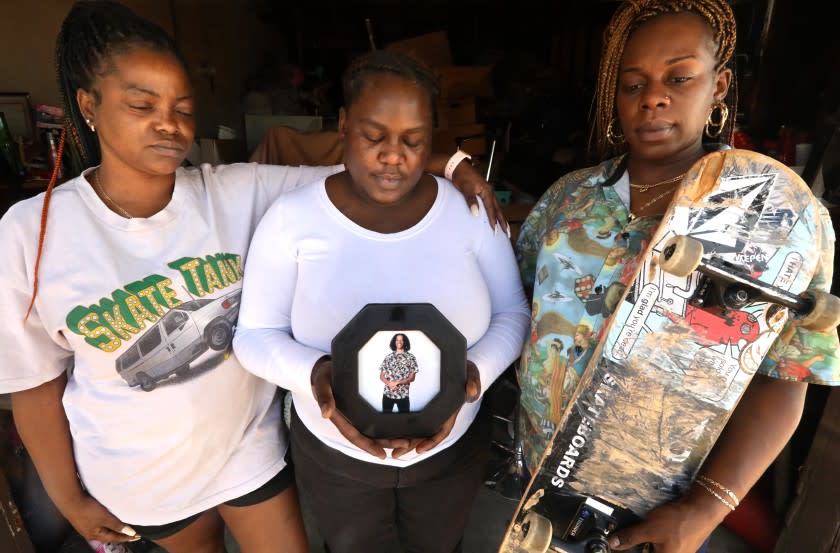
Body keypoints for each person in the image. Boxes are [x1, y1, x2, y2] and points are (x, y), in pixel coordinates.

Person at [0, 2, 505, 551]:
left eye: (183, 107)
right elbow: (32, 382)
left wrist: (452, 163)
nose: (169, 124)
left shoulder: (235, 191)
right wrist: (68, 497)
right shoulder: (32, 231)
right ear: (88, 105)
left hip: (249, 454)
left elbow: (370, 159)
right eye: (142, 104)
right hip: (139, 474)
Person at [514, 2, 839, 553]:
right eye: (633, 83)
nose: (653, 97)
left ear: (720, 86)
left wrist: (703, 511)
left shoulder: (774, 217)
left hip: (656, 510)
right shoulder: (568, 200)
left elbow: (786, 379)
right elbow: (519, 311)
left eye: (679, 77)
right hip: (536, 486)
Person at [232, 49, 530, 553]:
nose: (394, 156)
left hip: (450, 450)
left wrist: (472, 375)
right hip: (336, 457)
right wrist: (316, 375)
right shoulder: (293, 219)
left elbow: (513, 313)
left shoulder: (468, 212)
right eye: (375, 137)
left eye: (414, 140)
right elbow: (254, 337)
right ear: (344, 125)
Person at [379, 333, 419, 413]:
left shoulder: (411, 357)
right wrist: (389, 383)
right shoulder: (388, 357)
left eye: (401, 340)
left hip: (403, 395)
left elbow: (412, 378)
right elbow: (381, 376)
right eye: (397, 340)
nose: (399, 342)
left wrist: (398, 382)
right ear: (394, 342)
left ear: (405, 342)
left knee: (405, 421)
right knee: (385, 421)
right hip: (388, 394)